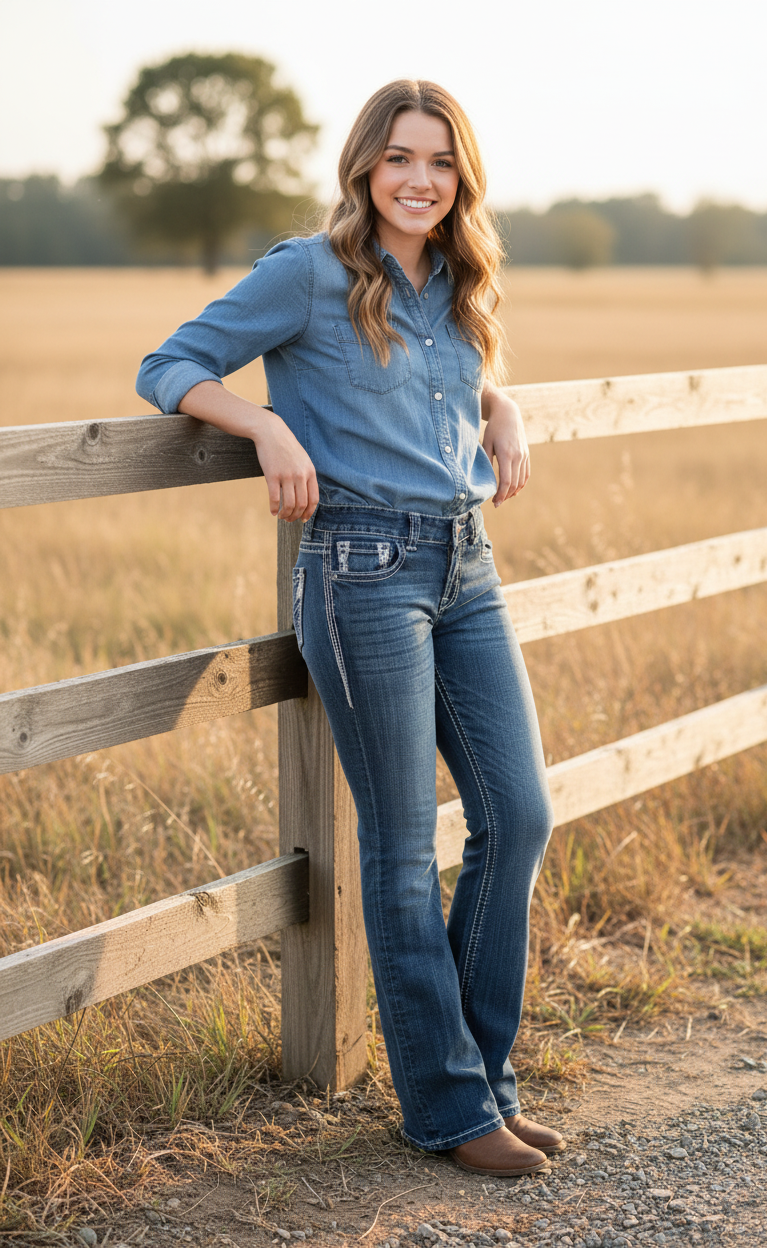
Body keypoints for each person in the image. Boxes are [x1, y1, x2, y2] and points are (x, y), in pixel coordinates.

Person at [137, 79, 561, 1177]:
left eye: (441, 162)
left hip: (466, 563)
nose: (421, 180)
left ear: (462, 176)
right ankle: (449, 1110)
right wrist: (266, 426)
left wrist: (502, 406)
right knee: (402, 847)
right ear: (365, 166)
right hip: (361, 572)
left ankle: (485, 1082)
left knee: (518, 815)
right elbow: (168, 365)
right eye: (399, 159)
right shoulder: (308, 272)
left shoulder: (458, 277)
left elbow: (444, 390)